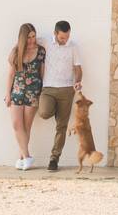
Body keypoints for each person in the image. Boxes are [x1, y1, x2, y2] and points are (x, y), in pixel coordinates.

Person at [37, 20, 82, 171]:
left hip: (66, 90)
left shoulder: (73, 47)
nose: (65, 40)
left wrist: (78, 81)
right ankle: (55, 109)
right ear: (55, 33)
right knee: (44, 113)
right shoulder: (45, 42)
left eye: (67, 37)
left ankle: (54, 159)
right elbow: (28, 42)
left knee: (61, 126)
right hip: (48, 88)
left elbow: (77, 68)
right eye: (62, 37)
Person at [4, 23, 45, 170]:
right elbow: (11, 74)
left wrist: (42, 92)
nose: (32, 40)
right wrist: (7, 94)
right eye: (29, 37)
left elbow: (42, 74)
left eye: (33, 36)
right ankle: (27, 156)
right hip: (17, 91)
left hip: (33, 92)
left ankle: (22, 158)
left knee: (26, 127)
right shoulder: (16, 52)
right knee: (17, 125)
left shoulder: (41, 52)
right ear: (23, 38)